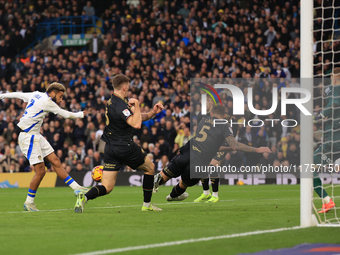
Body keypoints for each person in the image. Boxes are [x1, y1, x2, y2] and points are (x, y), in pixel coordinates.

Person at [74, 74, 164, 213]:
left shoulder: (113, 101)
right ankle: (147, 205)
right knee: (150, 168)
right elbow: (137, 124)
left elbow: (138, 117)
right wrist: (138, 104)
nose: (128, 90)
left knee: (107, 187)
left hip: (110, 148)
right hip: (124, 146)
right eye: (128, 88)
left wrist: (153, 112)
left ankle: (84, 198)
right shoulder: (120, 105)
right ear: (124, 87)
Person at [0, 82, 88, 211]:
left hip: (35, 135)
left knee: (55, 160)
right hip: (28, 137)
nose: (61, 99)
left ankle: (76, 188)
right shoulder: (47, 102)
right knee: (41, 171)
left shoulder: (36, 94)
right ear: (52, 93)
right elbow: (65, 115)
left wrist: (3, 95)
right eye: (60, 96)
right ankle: (29, 202)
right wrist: (80, 114)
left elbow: (19, 94)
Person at [153, 105, 271, 201]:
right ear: (224, 115)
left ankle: (151, 189)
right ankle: (173, 196)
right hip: (199, 161)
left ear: (211, 113)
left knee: (164, 175)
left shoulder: (203, 120)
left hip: (186, 151)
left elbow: (203, 141)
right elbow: (234, 145)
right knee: (183, 183)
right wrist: (257, 149)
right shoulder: (225, 125)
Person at [194, 96, 237, 203]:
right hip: (208, 144)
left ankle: (215, 195)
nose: (205, 103)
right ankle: (206, 192)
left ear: (212, 103)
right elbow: (199, 130)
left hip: (222, 143)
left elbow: (233, 121)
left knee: (212, 166)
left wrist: (231, 138)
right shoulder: (201, 115)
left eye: (207, 101)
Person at [312, 67, 340, 213]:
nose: (331, 79)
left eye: (332, 77)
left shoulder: (336, 87)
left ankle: (327, 201)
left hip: (335, 139)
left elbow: (334, 104)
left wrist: (321, 116)